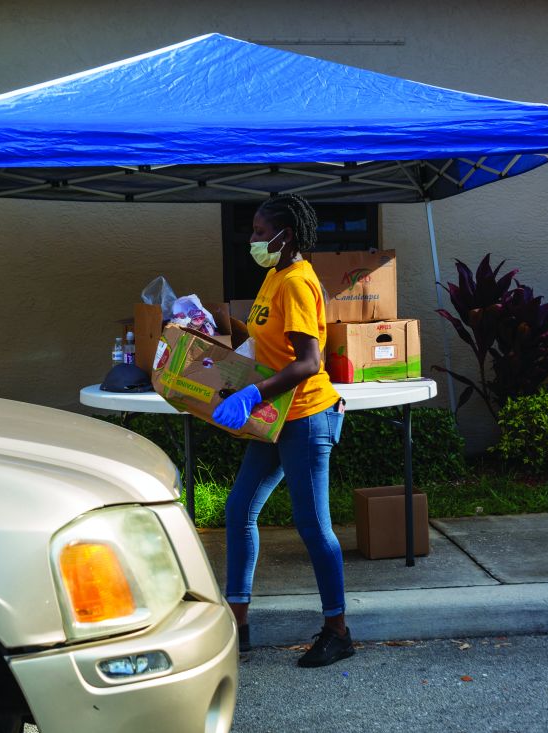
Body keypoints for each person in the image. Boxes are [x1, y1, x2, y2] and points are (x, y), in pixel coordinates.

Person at [211, 193, 351, 668]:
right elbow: (264, 340)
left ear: (284, 235)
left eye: (256, 231)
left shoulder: (296, 282)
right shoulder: (274, 275)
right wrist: (223, 358)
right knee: (238, 511)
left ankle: (338, 631)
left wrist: (251, 395)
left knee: (313, 526)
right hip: (276, 415)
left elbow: (309, 363)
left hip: (307, 416)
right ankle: (238, 626)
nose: (251, 239)